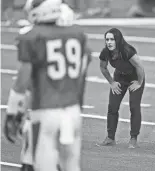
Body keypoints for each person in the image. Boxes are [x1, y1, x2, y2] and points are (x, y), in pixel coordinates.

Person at [3, 1, 91, 171]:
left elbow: (23, 81)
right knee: (71, 166)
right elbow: (80, 82)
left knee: (43, 164)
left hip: (45, 112)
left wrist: (13, 112)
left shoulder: (33, 37)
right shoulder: (78, 36)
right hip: (72, 112)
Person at [97, 28, 145, 148]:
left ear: (118, 40)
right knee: (112, 106)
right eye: (107, 39)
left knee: (134, 107)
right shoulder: (105, 52)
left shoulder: (127, 50)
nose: (109, 42)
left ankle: (133, 138)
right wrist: (112, 82)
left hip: (135, 77)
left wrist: (139, 83)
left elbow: (139, 66)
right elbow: (103, 67)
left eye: (112, 39)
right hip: (119, 77)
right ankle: (110, 138)